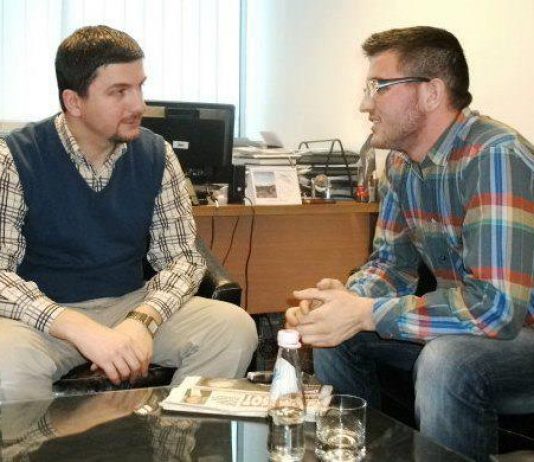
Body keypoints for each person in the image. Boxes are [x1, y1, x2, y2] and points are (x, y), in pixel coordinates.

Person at [286, 26, 534, 461]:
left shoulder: (494, 155)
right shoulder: (402, 164)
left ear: (431, 93)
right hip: (479, 329)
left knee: (447, 360)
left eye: (378, 87)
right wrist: (343, 303)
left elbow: (496, 309)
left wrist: (367, 313)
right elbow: (390, 265)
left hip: (521, 331)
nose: (365, 104)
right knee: (336, 335)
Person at [0, 25, 257, 402]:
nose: (139, 105)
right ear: (74, 102)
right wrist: (77, 328)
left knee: (232, 328)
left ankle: (173, 435)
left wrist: (143, 320)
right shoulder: (14, 157)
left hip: (130, 303)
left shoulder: (157, 154)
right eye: (119, 92)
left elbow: (184, 259)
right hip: (46, 318)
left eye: (139, 87)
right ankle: (47, 438)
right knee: (5, 364)